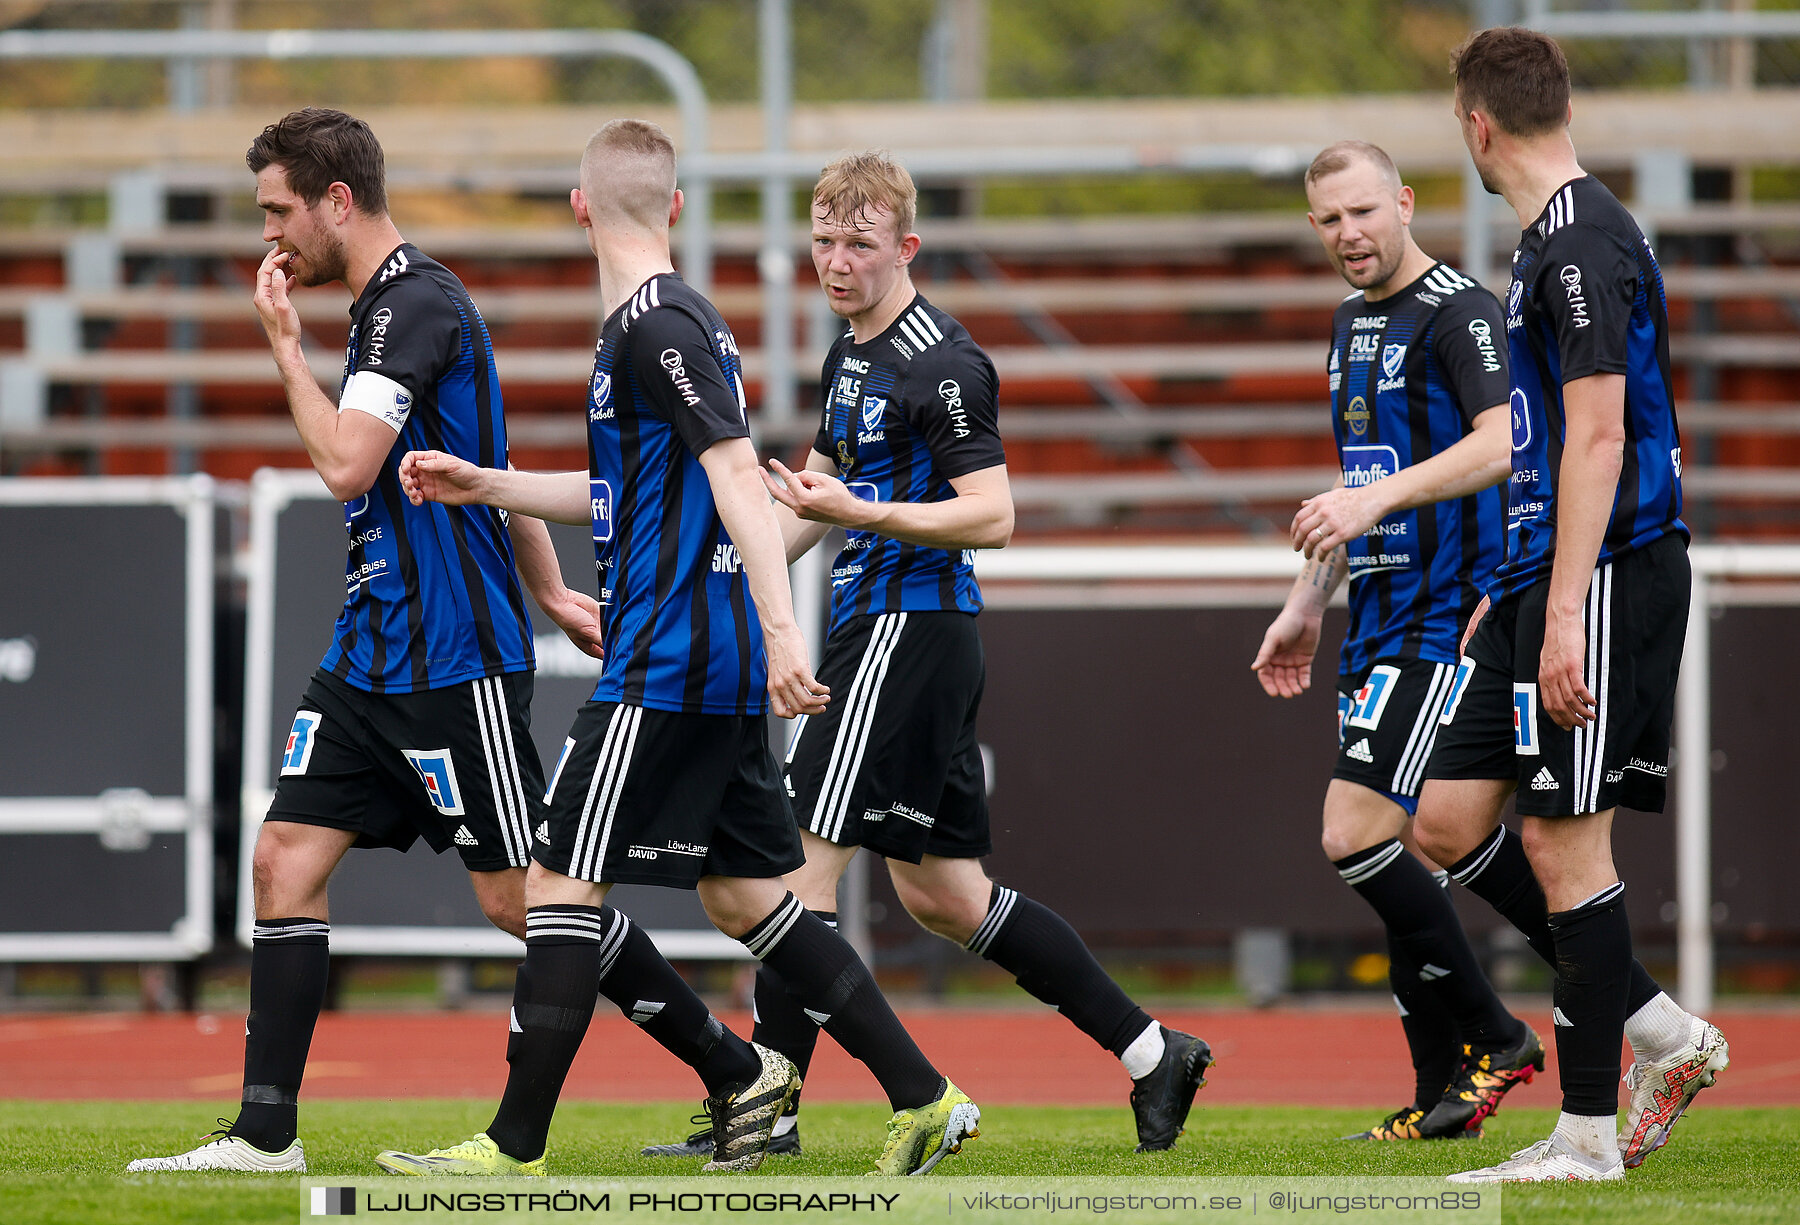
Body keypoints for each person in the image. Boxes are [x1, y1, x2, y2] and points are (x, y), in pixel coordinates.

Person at [374, 120, 980, 1179]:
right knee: (747, 900)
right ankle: (926, 1096)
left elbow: (740, 477)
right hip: (702, 657)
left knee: (560, 893)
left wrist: (783, 629)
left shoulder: (657, 326)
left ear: (578, 205)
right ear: (677, 207)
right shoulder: (651, 327)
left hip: (668, 664)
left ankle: (513, 1147)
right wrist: (491, 483)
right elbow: (625, 492)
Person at [644, 150, 1210, 1163]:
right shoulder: (851, 353)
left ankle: (769, 1116)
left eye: (859, 243)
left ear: (907, 245)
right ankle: (1151, 1050)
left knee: (792, 869)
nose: (837, 260)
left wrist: (864, 510)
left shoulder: (941, 360)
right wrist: (719, 572)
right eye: (823, 240)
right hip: (898, 632)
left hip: (909, 628)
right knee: (946, 897)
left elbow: (994, 516)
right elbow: (815, 496)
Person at [1415, 28, 1729, 1183]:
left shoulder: (1582, 240)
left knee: (1561, 841)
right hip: (1547, 574)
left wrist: (1558, 613)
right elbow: (1554, 439)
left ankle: (1588, 1137)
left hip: (1605, 575)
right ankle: (1661, 1031)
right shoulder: (1552, 239)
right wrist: (1512, 587)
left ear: (1477, 124)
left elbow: (1597, 434)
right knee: (1445, 820)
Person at [1253, 141, 1540, 1144]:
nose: (1349, 235)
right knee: (1386, 853)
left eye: (1364, 212)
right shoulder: (1346, 324)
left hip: (1447, 613)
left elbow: (1506, 440)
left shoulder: (1460, 308)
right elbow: (1355, 482)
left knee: (1357, 832)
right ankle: (1440, 1091)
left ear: (1405, 203)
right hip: (1371, 613)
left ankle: (1501, 1033)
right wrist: (1307, 599)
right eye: (1329, 220)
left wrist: (1369, 499)